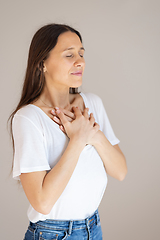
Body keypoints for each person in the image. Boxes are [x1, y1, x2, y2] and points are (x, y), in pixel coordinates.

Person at [9, 23, 127, 240]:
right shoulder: (28, 118)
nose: (80, 61)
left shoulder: (92, 104)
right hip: (52, 234)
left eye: (81, 54)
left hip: (93, 227)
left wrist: (94, 135)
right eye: (69, 55)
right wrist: (78, 139)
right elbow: (42, 202)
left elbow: (120, 171)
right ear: (42, 62)